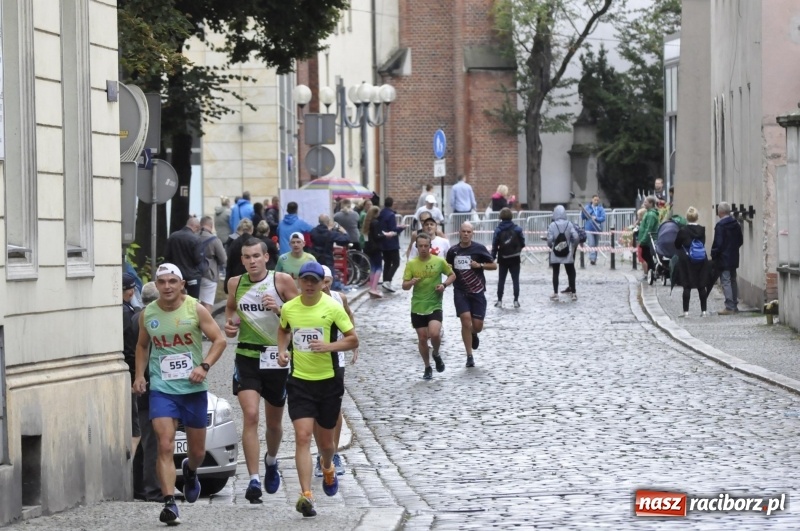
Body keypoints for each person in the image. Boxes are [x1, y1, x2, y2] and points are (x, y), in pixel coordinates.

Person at [132, 264, 226, 526]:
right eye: (162, 282)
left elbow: (219, 340)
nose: (167, 287)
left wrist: (204, 366)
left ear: (182, 284)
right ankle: (169, 503)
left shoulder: (195, 308)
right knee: (164, 443)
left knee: (196, 451)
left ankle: (191, 470)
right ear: (156, 285)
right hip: (162, 389)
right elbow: (141, 345)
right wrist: (140, 376)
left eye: (172, 281)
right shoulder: (148, 313)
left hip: (193, 389)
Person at [276, 262, 359, 518]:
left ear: (323, 282)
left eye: (315, 280)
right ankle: (306, 495)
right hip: (299, 381)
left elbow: (353, 339)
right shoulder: (289, 308)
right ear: (299, 281)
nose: (310, 285)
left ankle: (327, 467)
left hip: (328, 381)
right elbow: (283, 330)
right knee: (302, 436)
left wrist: (329, 347)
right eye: (305, 280)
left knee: (325, 443)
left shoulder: (333, 307)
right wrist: (281, 351)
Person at [224, 238, 299, 504]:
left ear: (266, 257)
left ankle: (271, 460)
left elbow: (301, 315)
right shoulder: (235, 283)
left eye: (256, 256)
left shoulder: (281, 281)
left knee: (275, 423)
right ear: (242, 260)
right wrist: (229, 325)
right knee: (251, 415)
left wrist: (279, 309)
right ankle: (253, 479)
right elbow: (231, 310)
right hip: (247, 357)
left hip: (276, 359)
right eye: (247, 257)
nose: (252, 261)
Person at [312, 265, 358, 478]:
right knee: (313, 411)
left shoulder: (339, 299)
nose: (326, 286)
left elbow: (349, 321)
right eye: (324, 281)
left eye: (329, 281)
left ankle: (334, 452)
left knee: (334, 408)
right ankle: (321, 453)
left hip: (335, 359)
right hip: (310, 360)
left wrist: (354, 345)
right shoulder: (307, 300)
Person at [403, 233, 456, 380]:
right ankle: (427, 366)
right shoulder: (411, 264)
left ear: (430, 247)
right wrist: (411, 282)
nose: (423, 248)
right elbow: (404, 286)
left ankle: (436, 353)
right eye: (420, 246)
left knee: (434, 334)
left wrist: (444, 285)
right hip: (418, 306)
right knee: (422, 338)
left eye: (426, 246)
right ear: (417, 247)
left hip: (435, 304)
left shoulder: (439, 261)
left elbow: (452, 275)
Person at [445, 222, 496, 367]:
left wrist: (479, 265)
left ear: (472, 233)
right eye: (463, 231)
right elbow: (448, 267)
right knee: (465, 321)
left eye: (468, 231)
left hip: (477, 291)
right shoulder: (453, 251)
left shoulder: (479, 249)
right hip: (460, 291)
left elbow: (494, 265)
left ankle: (474, 333)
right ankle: (469, 356)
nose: (466, 234)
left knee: (477, 325)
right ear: (459, 233)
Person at [132, 282, 163, 503]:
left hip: (143, 384)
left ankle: (140, 488)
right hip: (150, 383)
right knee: (152, 441)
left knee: (146, 441)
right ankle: (153, 489)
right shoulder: (148, 319)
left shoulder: (135, 316)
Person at [674, 206, 711, 317]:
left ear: (687, 217)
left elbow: (676, 244)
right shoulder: (702, 230)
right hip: (700, 258)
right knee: (701, 285)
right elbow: (702, 243)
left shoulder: (683, 230)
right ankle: (703, 311)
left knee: (687, 285)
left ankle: (686, 312)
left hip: (686, 259)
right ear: (697, 217)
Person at [711, 201, 744, 315]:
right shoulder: (736, 224)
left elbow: (718, 244)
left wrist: (714, 254)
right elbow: (740, 240)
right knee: (733, 280)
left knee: (726, 281)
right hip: (734, 256)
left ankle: (729, 307)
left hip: (723, 258)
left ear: (720, 212)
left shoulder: (720, 226)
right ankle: (734, 305)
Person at [122, 273, 141, 459]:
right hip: (129, 375)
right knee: (135, 433)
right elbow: (130, 349)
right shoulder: (128, 314)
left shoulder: (115, 310)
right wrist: (136, 376)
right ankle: (130, 478)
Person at [491, 207, 525, 308]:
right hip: (515, 258)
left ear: (500, 217)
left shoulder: (498, 230)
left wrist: (492, 257)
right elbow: (522, 242)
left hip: (503, 258)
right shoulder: (517, 229)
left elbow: (494, 245)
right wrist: (517, 250)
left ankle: (500, 300)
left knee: (501, 280)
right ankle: (516, 300)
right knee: (515, 280)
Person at [163, 216, 203, 299]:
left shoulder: (173, 236)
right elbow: (197, 260)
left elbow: (167, 256)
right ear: (195, 227)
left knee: (176, 299)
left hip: (176, 275)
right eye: (197, 229)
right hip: (192, 276)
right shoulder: (196, 239)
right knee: (193, 301)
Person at [547, 205, 579, 301]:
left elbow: (549, 239)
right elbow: (576, 237)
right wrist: (573, 246)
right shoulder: (569, 224)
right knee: (571, 272)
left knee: (555, 272)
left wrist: (551, 246)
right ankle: (573, 293)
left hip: (556, 251)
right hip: (567, 251)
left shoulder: (552, 225)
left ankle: (556, 293)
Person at [197, 216, 227, 311]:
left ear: (200, 224)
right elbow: (223, 259)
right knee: (207, 304)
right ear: (211, 225)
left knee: (194, 304)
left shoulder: (192, 237)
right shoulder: (214, 240)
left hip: (192, 274)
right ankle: (205, 324)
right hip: (209, 274)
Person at [362, 206, 392, 298]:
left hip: (369, 248)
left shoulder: (367, 222)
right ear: (376, 213)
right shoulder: (375, 222)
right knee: (378, 268)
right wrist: (386, 235)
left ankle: (372, 287)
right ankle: (374, 288)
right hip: (376, 248)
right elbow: (377, 236)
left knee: (373, 268)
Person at [378, 197, 406, 292]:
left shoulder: (381, 213)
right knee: (396, 262)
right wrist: (401, 228)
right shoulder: (391, 215)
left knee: (387, 262)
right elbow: (393, 230)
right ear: (392, 203)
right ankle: (387, 281)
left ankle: (386, 281)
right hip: (391, 243)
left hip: (383, 241)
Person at [224, 218, 254, 293]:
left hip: (237, 278)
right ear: (252, 229)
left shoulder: (234, 243)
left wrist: (226, 284)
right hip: (253, 277)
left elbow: (229, 264)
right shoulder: (256, 243)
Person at [637, 196, 660, 282]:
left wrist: (643, 240)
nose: (644, 203)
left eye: (646, 202)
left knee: (647, 256)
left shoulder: (651, 214)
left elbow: (649, 228)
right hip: (646, 239)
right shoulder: (648, 212)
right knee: (646, 256)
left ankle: (652, 273)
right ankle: (651, 273)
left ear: (651, 204)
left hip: (648, 240)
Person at [581, 194, 606, 265]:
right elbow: (583, 217)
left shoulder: (600, 208)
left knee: (595, 244)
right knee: (591, 243)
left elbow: (603, 218)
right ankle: (592, 258)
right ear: (592, 200)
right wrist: (583, 211)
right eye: (595, 200)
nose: (596, 201)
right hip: (589, 228)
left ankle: (594, 258)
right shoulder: (587, 207)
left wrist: (596, 218)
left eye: (597, 200)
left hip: (597, 228)